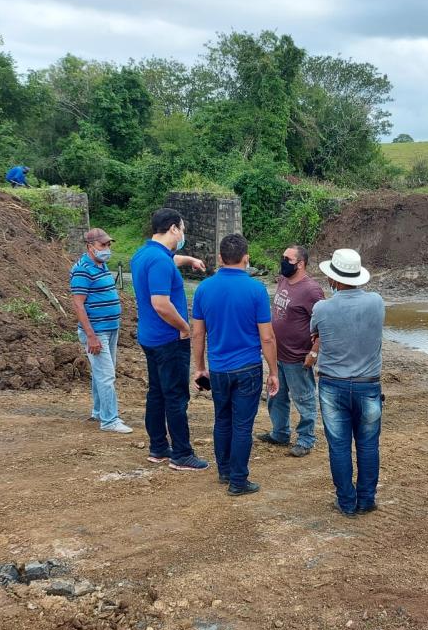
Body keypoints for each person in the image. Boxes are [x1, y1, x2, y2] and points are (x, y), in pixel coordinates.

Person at [192, 234, 280, 496]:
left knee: (222, 420)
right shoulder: (256, 290)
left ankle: (225, 471)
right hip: (248, 368)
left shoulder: (204, 289)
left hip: (218, 368)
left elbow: (198, 334)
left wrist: (199, 368)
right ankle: (239, 481)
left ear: (219, 258)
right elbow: (267, 336)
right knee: (243, 425)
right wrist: (274, 372)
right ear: (246, 258)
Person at [130, 208, 208, 471]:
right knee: (175, 396)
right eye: (182, 228)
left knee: (157, 393)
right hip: (169, 339)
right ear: (174, 228)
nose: (183, 233)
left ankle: (159, 447)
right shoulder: (160, 261)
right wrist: (185, 328)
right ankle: (182, 453)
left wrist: (189, 260)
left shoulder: (144, 255)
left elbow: (168, 262)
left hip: (149, 338)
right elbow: (161, 304)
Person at [311, 248, 385, 517]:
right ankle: (366, 499)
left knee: (339, 446)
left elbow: (315, 334)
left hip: (333, 385)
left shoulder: (322, 308)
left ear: (334, 279)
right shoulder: (377, 302)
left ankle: (346, 501)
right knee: (368, 445)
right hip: (368, 385)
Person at [258, 246, 325, 457]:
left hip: (298, 357)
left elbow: (323, 324)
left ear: (301, 264)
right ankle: (280, 433)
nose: (283, 261)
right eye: (283, 257)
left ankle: (306, 439)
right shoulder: (283, 280)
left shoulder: (312, 291)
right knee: (275, 396)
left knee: (304, 398)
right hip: (277, 354)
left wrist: (314, 352)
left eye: (288, 259)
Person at [70, 228, 131, 433]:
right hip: (97, 332)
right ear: (90, 247)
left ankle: (98, 411)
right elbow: (78, 305)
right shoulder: (82, 270)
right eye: (103, 245)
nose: (107, 249)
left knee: (101, 373)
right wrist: (91, 336)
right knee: (106, 375)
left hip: (110, 328)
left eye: (108, 245)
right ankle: (110, 420)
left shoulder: (101, 264)